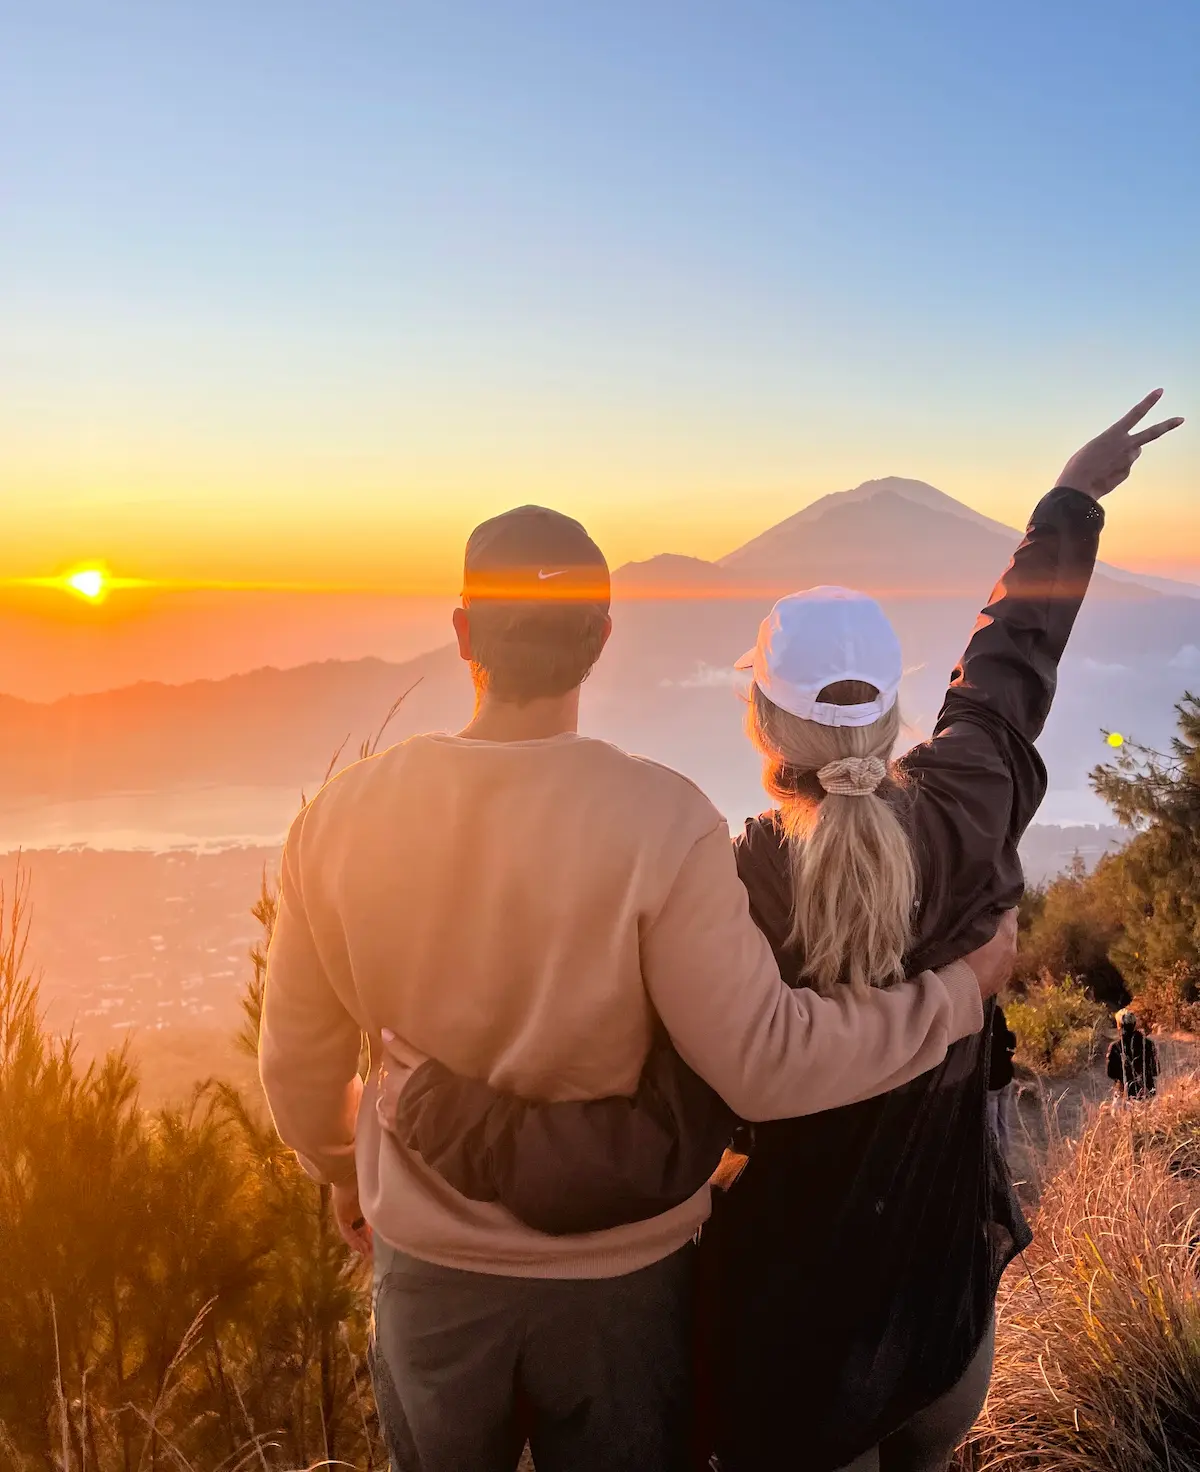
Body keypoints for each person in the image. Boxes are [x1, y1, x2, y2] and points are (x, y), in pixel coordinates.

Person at [378, 391, 1182, 1472]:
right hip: (949, 1320)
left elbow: (660, 1124)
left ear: (758, 717)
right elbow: (1012, 660)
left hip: (797, 1356)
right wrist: (1072, 497)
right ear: (898, 715)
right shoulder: (972, 795)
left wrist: (437, 1107)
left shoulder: (732, 878)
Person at [258, 501, 1015, 1472]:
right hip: (626, 1282)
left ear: (460, 634)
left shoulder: (341, 819)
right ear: (602, 641)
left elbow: (297, 1068)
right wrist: (951, 1000)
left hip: (432, 1275)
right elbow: (766, 1063)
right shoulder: (670, 821)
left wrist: (340, 1168)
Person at [1107, 1010, 1159, 1100]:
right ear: (1135, 1024)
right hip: (1147, 1092)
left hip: (1124, 1093)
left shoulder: (1115, 1047)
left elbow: (1111, 1073)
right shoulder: (1148, 1044)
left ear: (1121, 1026)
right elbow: (1156, 1071)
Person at [988, 1002, 1018, 1157]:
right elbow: (1011, 1054)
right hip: (1007, 1081)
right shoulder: (1010, 1036)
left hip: (992, 1087)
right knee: (1003, 1122)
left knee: (992, 1127)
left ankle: (995, 1158)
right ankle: (1005, 1155)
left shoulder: (987, 1043)